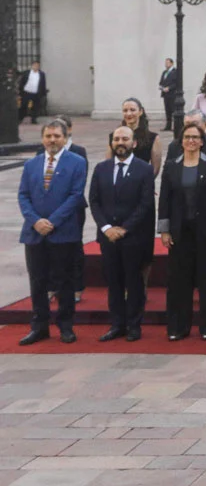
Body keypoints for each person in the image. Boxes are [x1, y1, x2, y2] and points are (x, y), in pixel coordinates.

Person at [16, 121, 86, 345]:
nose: (52, 140)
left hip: (63, 232)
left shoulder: (77, 162)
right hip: (34, 233)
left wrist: (52, 221)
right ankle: (39, 326)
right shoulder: (32, 164)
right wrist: (35, 221)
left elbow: (75, 196)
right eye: (48, 136)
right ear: (42, 138)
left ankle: (65, 326)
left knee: (64, 281)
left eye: (56, 136)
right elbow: (23, 195)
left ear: (65, 138)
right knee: (37, 281)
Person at [158, 123, 206, 341]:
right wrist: (164, 230)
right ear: (181, 141)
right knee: (178, 281)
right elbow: (164, 199)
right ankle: (178, 327)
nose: (191, 141)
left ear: (202, 141)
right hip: (180, 232)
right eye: (187, 137)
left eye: (195, 137)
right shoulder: (171, 166)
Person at [88, 126, 155, 342]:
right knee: (113, 282)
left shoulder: (144, 169)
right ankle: (117, 324)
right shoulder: (101, 168)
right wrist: (106, 228)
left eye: (125, 139)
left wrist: (125, 228)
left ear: (133, 143)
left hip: (133, 237)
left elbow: (145, 203)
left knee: (134, 282)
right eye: (116, 139)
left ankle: (134, 325)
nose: (120, 142)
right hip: (108, 237)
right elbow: (94, 201)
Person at [55, 114, 88, 304]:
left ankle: (76, 286)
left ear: (69, 130)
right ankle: (54, 285)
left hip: (74, 207)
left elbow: (79, 183)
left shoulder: (79, 152)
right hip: (49, 209)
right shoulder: (42, 152)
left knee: (74, 246)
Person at [114, 98, 162, 176]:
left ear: (140, 112)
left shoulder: (153, 138)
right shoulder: (114, 136)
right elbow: (109, 165)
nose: (128, 114)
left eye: (132, 110)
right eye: (125, 110)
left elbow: (155, 169)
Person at [18, 60, 48, 124]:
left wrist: (43, 93)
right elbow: (22, 82)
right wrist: (20, 91)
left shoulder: (41, 74)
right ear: (32, 66)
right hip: (26, 92)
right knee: (23, 106)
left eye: (37, 66)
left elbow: (43, 84)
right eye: (34, 65)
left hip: (36, 93)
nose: (36, 67)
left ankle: (33, 119)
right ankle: (20, 118)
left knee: (35, 107)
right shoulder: (27, 73)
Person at [158, 57, 180, 129]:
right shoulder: (164, 72)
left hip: (172, 94)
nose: (166, 64)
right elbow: (161, 82)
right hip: (165, 94)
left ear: (171, 63)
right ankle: (168, 126)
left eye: (167, 63)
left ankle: (176, 126)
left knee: (173, 110)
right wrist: (161, 87)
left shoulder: (175, 72)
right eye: (165, 63)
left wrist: (169, 88)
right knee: (167, 111)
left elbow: (176, 83)